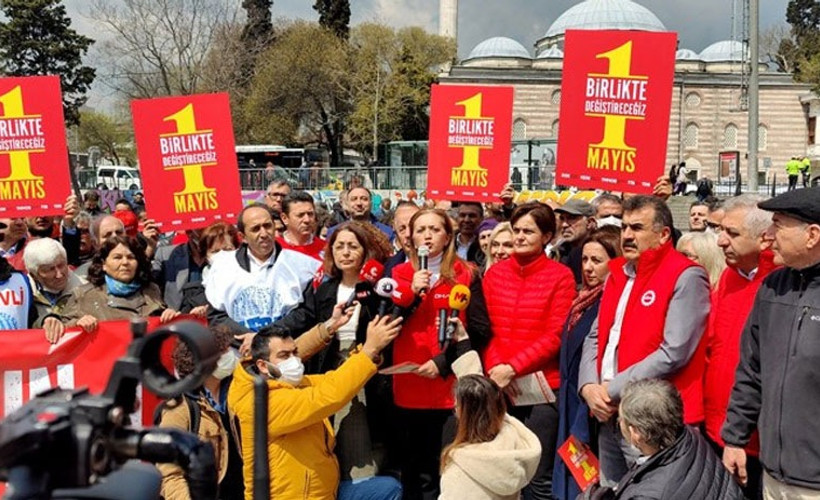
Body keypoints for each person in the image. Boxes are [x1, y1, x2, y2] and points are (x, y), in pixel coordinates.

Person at [578, 195, 710, 487]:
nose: (626, 235)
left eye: (637, 228)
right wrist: (588, 387)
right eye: (624, 227)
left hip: (654, 417)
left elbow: (675, 351)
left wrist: (611, 389)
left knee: (655, 490)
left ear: (663, 234)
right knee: (612, 489)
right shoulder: (617, 275)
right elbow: (596, 335)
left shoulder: (686, 276)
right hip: (609, 413)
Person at [274, 222, 398, 491]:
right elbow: (305, 320)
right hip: (329, 371)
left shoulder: (377, 290)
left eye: (353, 246)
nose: (345, 252)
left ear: (365, 251)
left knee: (362, 443)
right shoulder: (323, 288)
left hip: (368, 373)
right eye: (339, 246)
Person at [227, 315, 404, 500]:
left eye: (295, 352)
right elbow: (328, 395)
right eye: (284, 356)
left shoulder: (286, 382)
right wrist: (368, 350)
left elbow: (331, 379)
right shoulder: (261, 403)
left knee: (388, 488)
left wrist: (367, 354)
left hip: (326, 493)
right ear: (263, 365)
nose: (294, 360)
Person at [722, 187, 820, 498]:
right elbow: (752, 370)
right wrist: (734, 439)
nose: (768, 235)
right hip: (774, 474)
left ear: (812, 235)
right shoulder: (773, 287)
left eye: (778, 224)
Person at [391, 207, 492, 499]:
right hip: (408, 384)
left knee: (446, 468)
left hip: (448, 388)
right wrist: (410, 294)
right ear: (410, 237)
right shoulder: (398, 273)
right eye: (420, 229)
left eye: (434, 229)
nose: (427, 235)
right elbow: (387, 324)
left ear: (448, 236)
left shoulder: (466, 274)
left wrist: (442, 362)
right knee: (414, 471)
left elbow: (480, 329)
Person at [482, 202, 577, 498]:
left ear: (547, 236)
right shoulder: (494, 275)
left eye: (528, 231)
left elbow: (556, 334)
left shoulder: (560, 276)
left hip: (542, 387)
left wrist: (514, 368)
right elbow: (487, 330)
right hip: (499, 384)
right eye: (516, 230)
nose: (519, 237)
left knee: (538, 474)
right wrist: (498, 369)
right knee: (500, 470)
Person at [700, 194, 776, 500]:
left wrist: (740, 437)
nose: (719, 241)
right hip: (716, 429)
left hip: (755, 442)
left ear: (765, 240)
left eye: (732, 233)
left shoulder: (779, 285)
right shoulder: (729, 278)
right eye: (721, 231)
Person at [585, 379, 743, 500]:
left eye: (622, 420)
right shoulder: (691, 437)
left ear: (635, 434)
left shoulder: (647, 495)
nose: (619, 423)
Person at [553, 226, 621, 500]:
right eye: (585, 259)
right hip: (569, 403)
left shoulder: (612, 301)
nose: (589, 268)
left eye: (597, 260)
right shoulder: (580, 300)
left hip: (590, 409)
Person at [205, 204, 319, 342]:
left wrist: (264, 337)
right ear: (243, 236)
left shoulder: (302, 265)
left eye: (267, 226)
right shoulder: (222, 267)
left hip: (286, 349)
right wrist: (250, 341)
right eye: (255, 229)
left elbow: (306, 313)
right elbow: (216, 317)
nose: (264, 233)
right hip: (239, 350)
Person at [156, 326, 243, 500]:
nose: (230, 355)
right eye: (223, 352)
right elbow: (170, 474)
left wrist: (316, 333)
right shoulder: (179, 407)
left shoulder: (239, 388)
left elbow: (278, 356)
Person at [52, 236, 180, 339]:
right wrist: (77, 324)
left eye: (131, 257)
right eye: (117, 257)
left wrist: (169, 316)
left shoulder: (151, 290)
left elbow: (161, 325)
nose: (125, 262)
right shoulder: (84, 295)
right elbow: (60, 331)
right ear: (103, 264)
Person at [178, 222, 241, 316]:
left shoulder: (255, 280)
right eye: (215, 251)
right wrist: (194, 316)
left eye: (227, 249)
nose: (222, 255)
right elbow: (184, 323)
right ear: (205, 256)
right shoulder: (193, 292)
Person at [23, 238, 85, 331]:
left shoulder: (86, 289)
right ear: (34, 275)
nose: (59, 275)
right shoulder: (23, 296)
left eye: (61, 265)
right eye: (49, 269)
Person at [152, 229, 209, 311]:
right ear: (189, 232)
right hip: (178, 317)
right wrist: (149, 248)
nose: (207, 234)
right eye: (202, 230)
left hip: (213, 318)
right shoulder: (166, 255)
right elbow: (148, 282)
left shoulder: (223, 256)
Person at [327, 187, 395, 241]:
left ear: (371, 203)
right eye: (354, 199)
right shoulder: (334, 232)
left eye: (364, 199)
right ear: (347, 204)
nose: (359, 203)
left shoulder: (387, 232)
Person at [555, 199, 597, 286]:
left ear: (589, 222)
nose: (564, 225)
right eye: (562, 218)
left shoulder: (602, 251)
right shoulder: (557, 252)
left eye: (572, 218)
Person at [277, 191, 325, 261]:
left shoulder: (325, 249)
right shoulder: (273, 248)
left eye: (310, 214)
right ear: (285, 218)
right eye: (300, 215)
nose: (307, 220)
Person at [384, 201, 420, 277]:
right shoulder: (388, 268)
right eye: (402, 229)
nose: (408, 234)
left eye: (413, 226)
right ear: (394, 227)